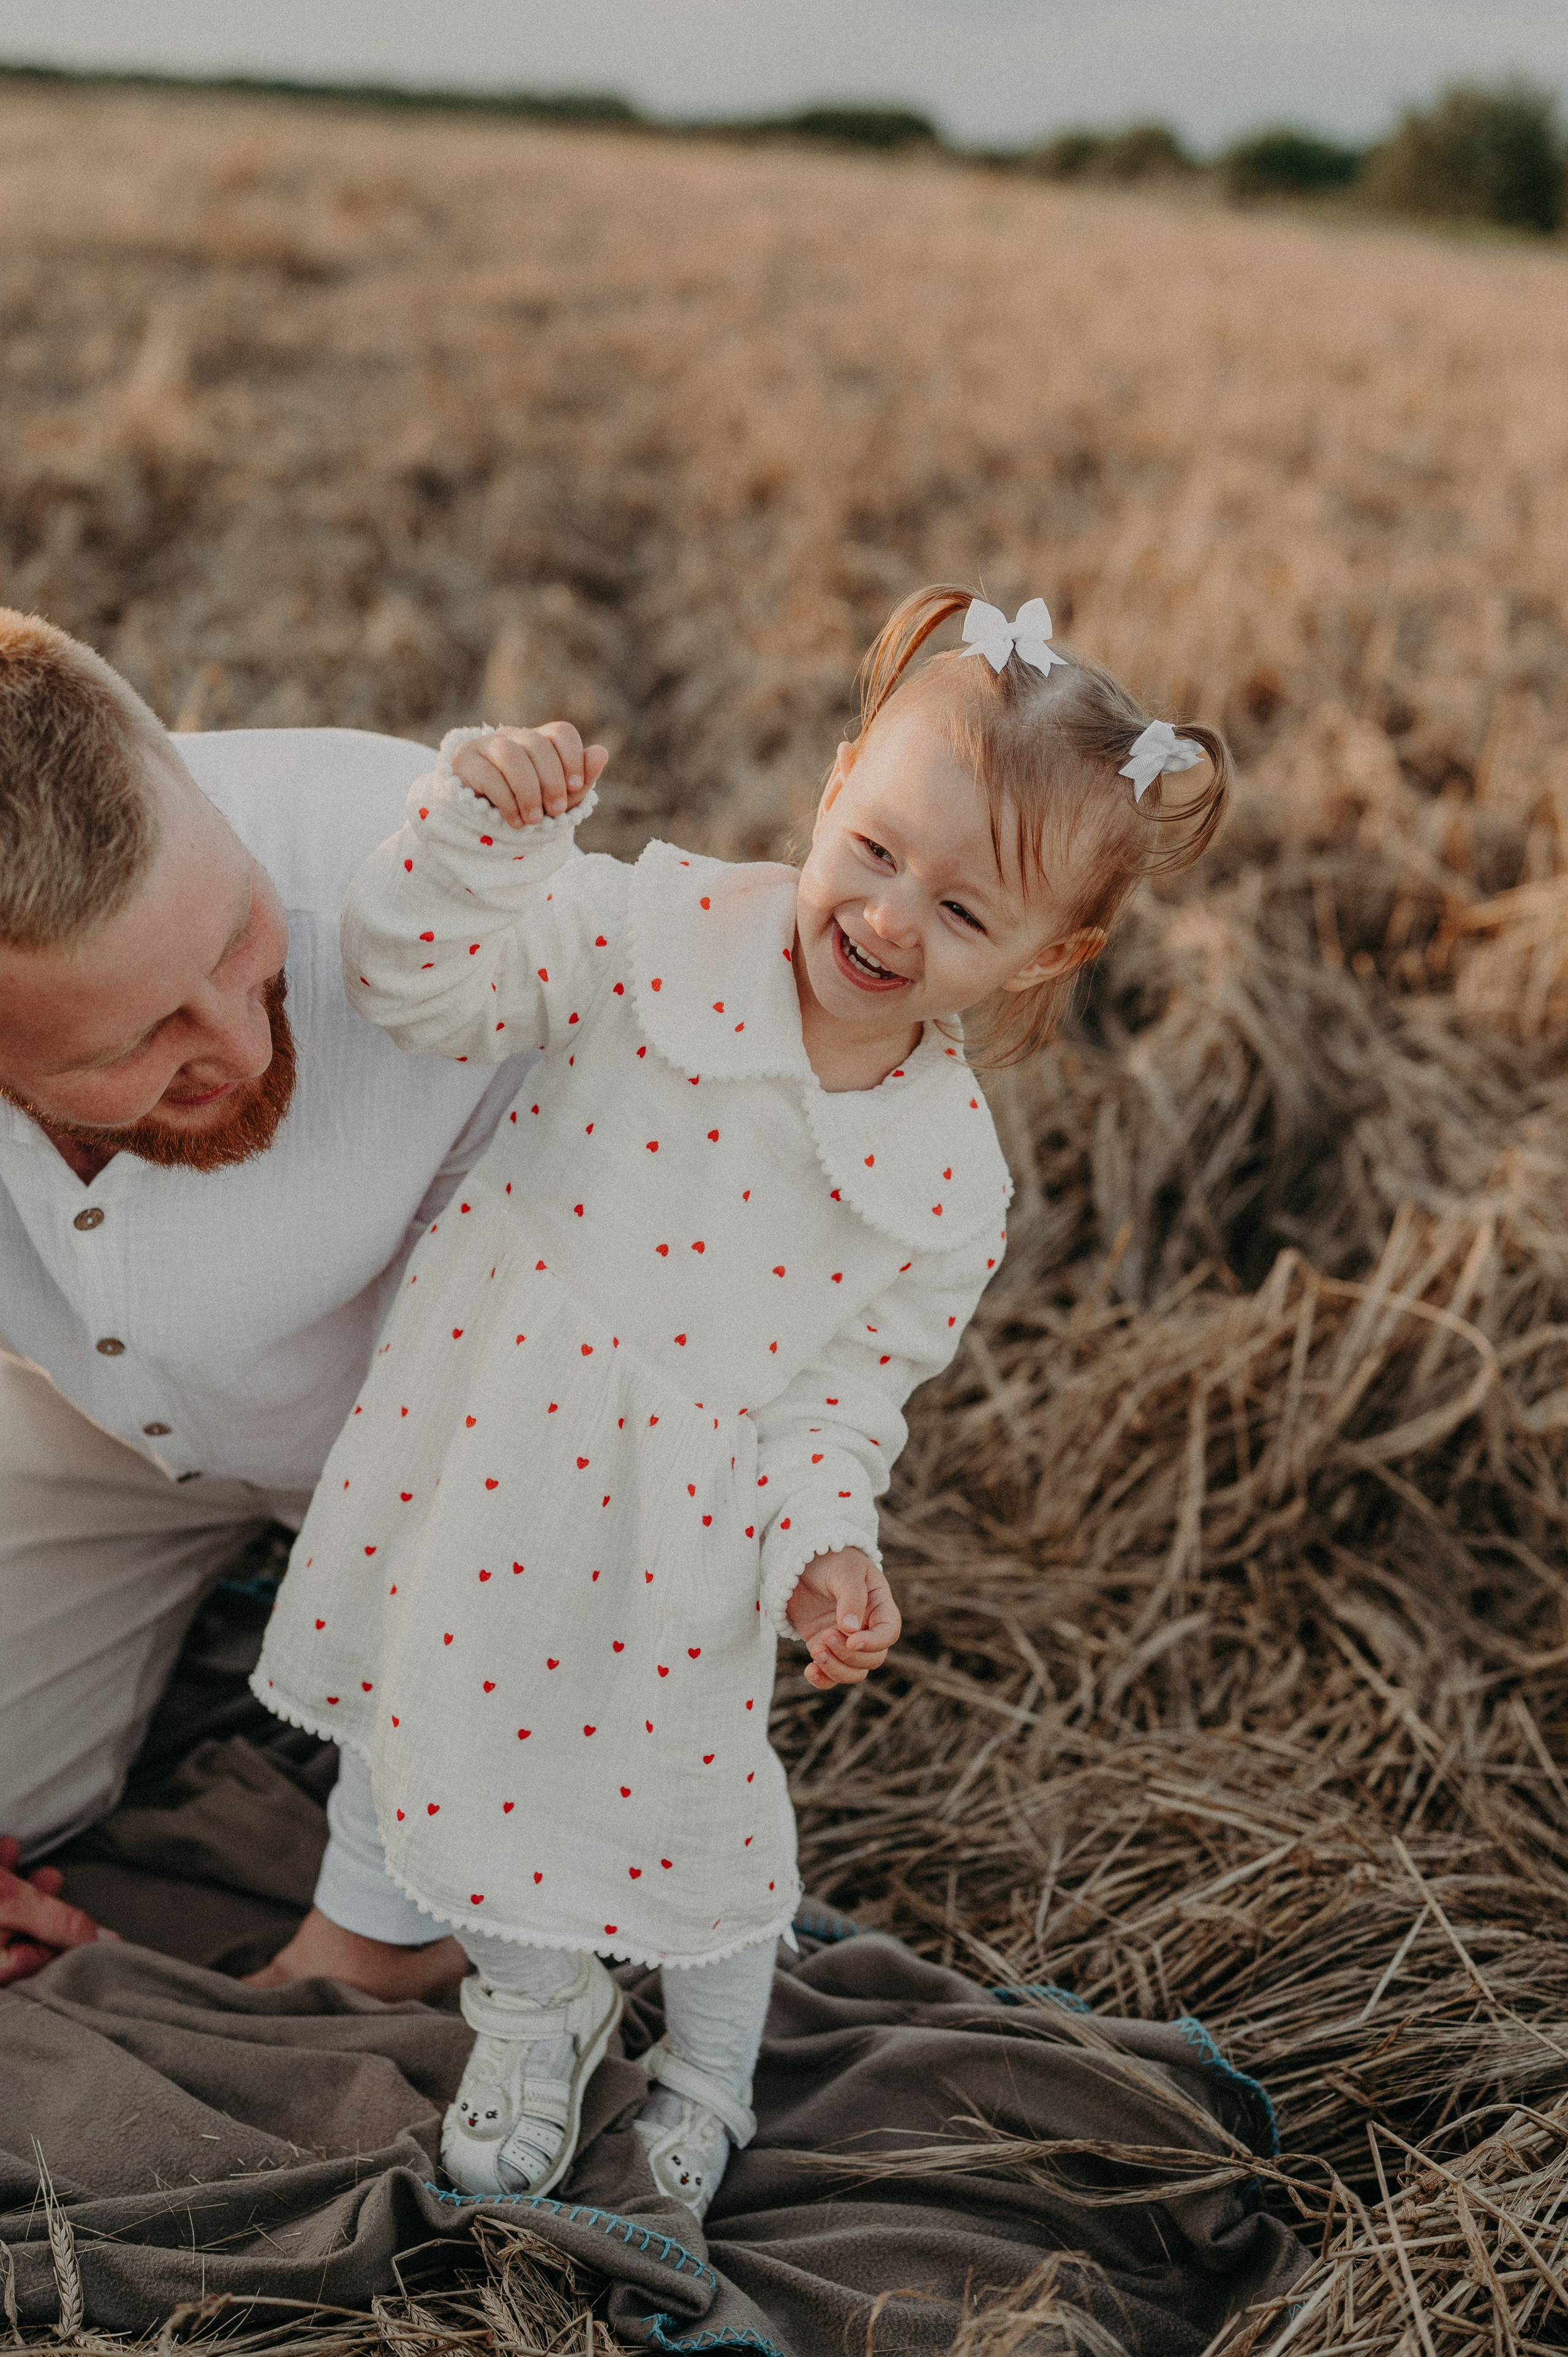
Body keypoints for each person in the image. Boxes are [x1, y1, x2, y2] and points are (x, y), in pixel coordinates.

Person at [251, 585, 1231, 2214]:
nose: (894, 917)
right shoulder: (651, 936)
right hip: (489, 1442)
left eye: (967, 915)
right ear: (838, 777)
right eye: (877, 848)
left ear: (1049, 957)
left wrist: (825, 1551)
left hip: (682, 1526)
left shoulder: (941, 1184)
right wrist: (476, 840)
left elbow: (844, 1409)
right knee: (448, 1716)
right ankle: (535, 2001)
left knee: (688, 1807)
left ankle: (708, 2075)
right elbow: (422, 987)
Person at [0, 608, 545, 1992]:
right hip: (77, 1421)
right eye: (144, 1038)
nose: (244, 1042)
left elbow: (508, 1477)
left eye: (242, 930)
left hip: (472, 1449)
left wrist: (343, 1957)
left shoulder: (476, 922)